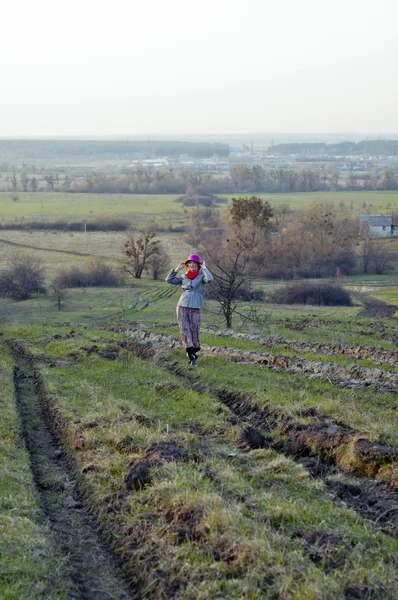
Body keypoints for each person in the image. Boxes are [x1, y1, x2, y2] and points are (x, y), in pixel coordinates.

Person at [166, 253, 213, 366]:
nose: (192, 265)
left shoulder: (202, 276)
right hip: (182, 305)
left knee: (194, 330)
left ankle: (194, 351)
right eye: (189, 263)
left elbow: (210, 279)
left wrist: (204, 267)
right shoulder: (184, 276)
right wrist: (177, 268)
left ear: (198, 264)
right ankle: (192, 357)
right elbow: (169, 279)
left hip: (196, 307)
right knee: (185, 329)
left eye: (194, 263)